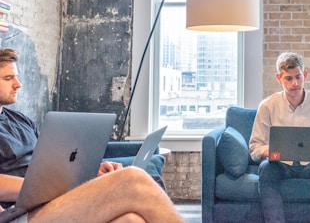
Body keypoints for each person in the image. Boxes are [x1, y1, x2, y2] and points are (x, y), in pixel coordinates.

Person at [0, 48, 185, 223]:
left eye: (16, 77)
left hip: (46, 200)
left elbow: (47, 164)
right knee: (133, 179)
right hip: (17, 214)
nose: (18, 84)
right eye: (8, 78)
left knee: (132, 220)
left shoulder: (20, 120)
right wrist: (43, 189)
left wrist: (87, 173)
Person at [249, 52, 310, 223]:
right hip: (281, 164)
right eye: (289, 78)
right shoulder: (267, 106)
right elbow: (255, 147)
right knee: (266, 168)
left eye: (299, 77)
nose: (295, 83)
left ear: (305, 75)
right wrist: (273, 151)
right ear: (279, 78)